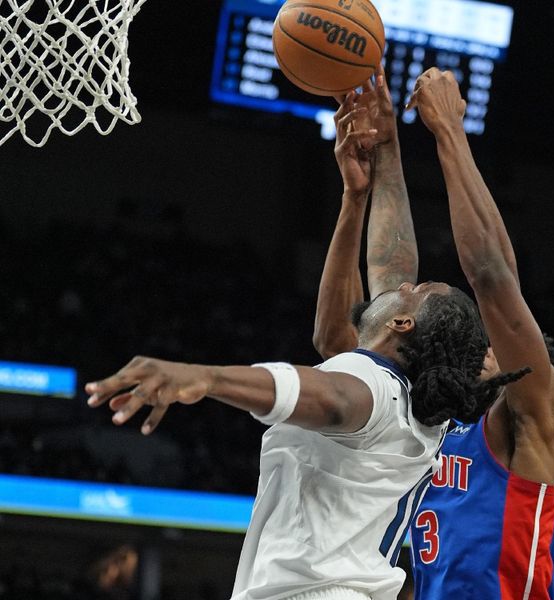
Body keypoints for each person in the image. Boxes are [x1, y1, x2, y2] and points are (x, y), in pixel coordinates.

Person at [84, 70, 525, 600]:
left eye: (419, 288)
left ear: (403, 322)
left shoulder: (376, 391)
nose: (407, 280)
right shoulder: (403, 391)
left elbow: (329, 395)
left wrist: (204, 375)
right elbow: (381, 272)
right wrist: (376, 166)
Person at [314, 68, 554, 599]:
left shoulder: (532, 416)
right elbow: (392, 298)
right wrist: (388, 148)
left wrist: (450, 133)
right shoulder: (427, 417)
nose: (483, 348)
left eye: (493, 345)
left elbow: (492, 277)